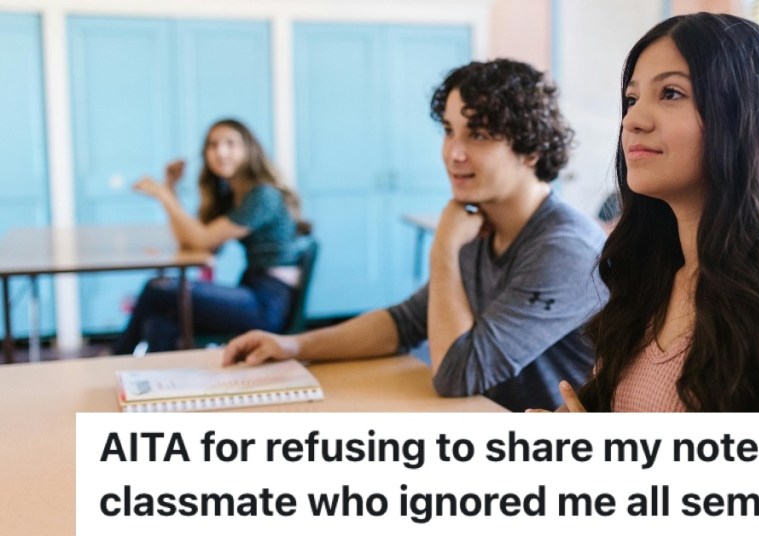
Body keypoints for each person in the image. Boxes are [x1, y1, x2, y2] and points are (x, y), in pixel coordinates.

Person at [536, 13, 759, 412]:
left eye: (670, 93)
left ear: (743, 116)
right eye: (632, 99)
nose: (633, 120)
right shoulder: (649, 275)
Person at [223, 59, 608, 412]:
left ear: (531, 150)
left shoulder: (565, 248)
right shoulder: (481, 224)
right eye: (448, 131)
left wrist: (443, 250)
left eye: (478, 134)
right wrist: (293, 345)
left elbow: (457, 375)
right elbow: (404, 322)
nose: (453, 153)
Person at [112, 119, 309, 355]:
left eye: (230, 144)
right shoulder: (232, 194)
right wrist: (170, 188)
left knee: (157, 289)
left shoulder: (262, 196)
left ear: (249, 149)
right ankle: (156, 386)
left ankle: (116, 359)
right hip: (252, 290)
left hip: (268, 303)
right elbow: (192, 241)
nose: (220, 152)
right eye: (212, 145)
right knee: (160, 324)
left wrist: (164, 195)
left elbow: (202, 240)